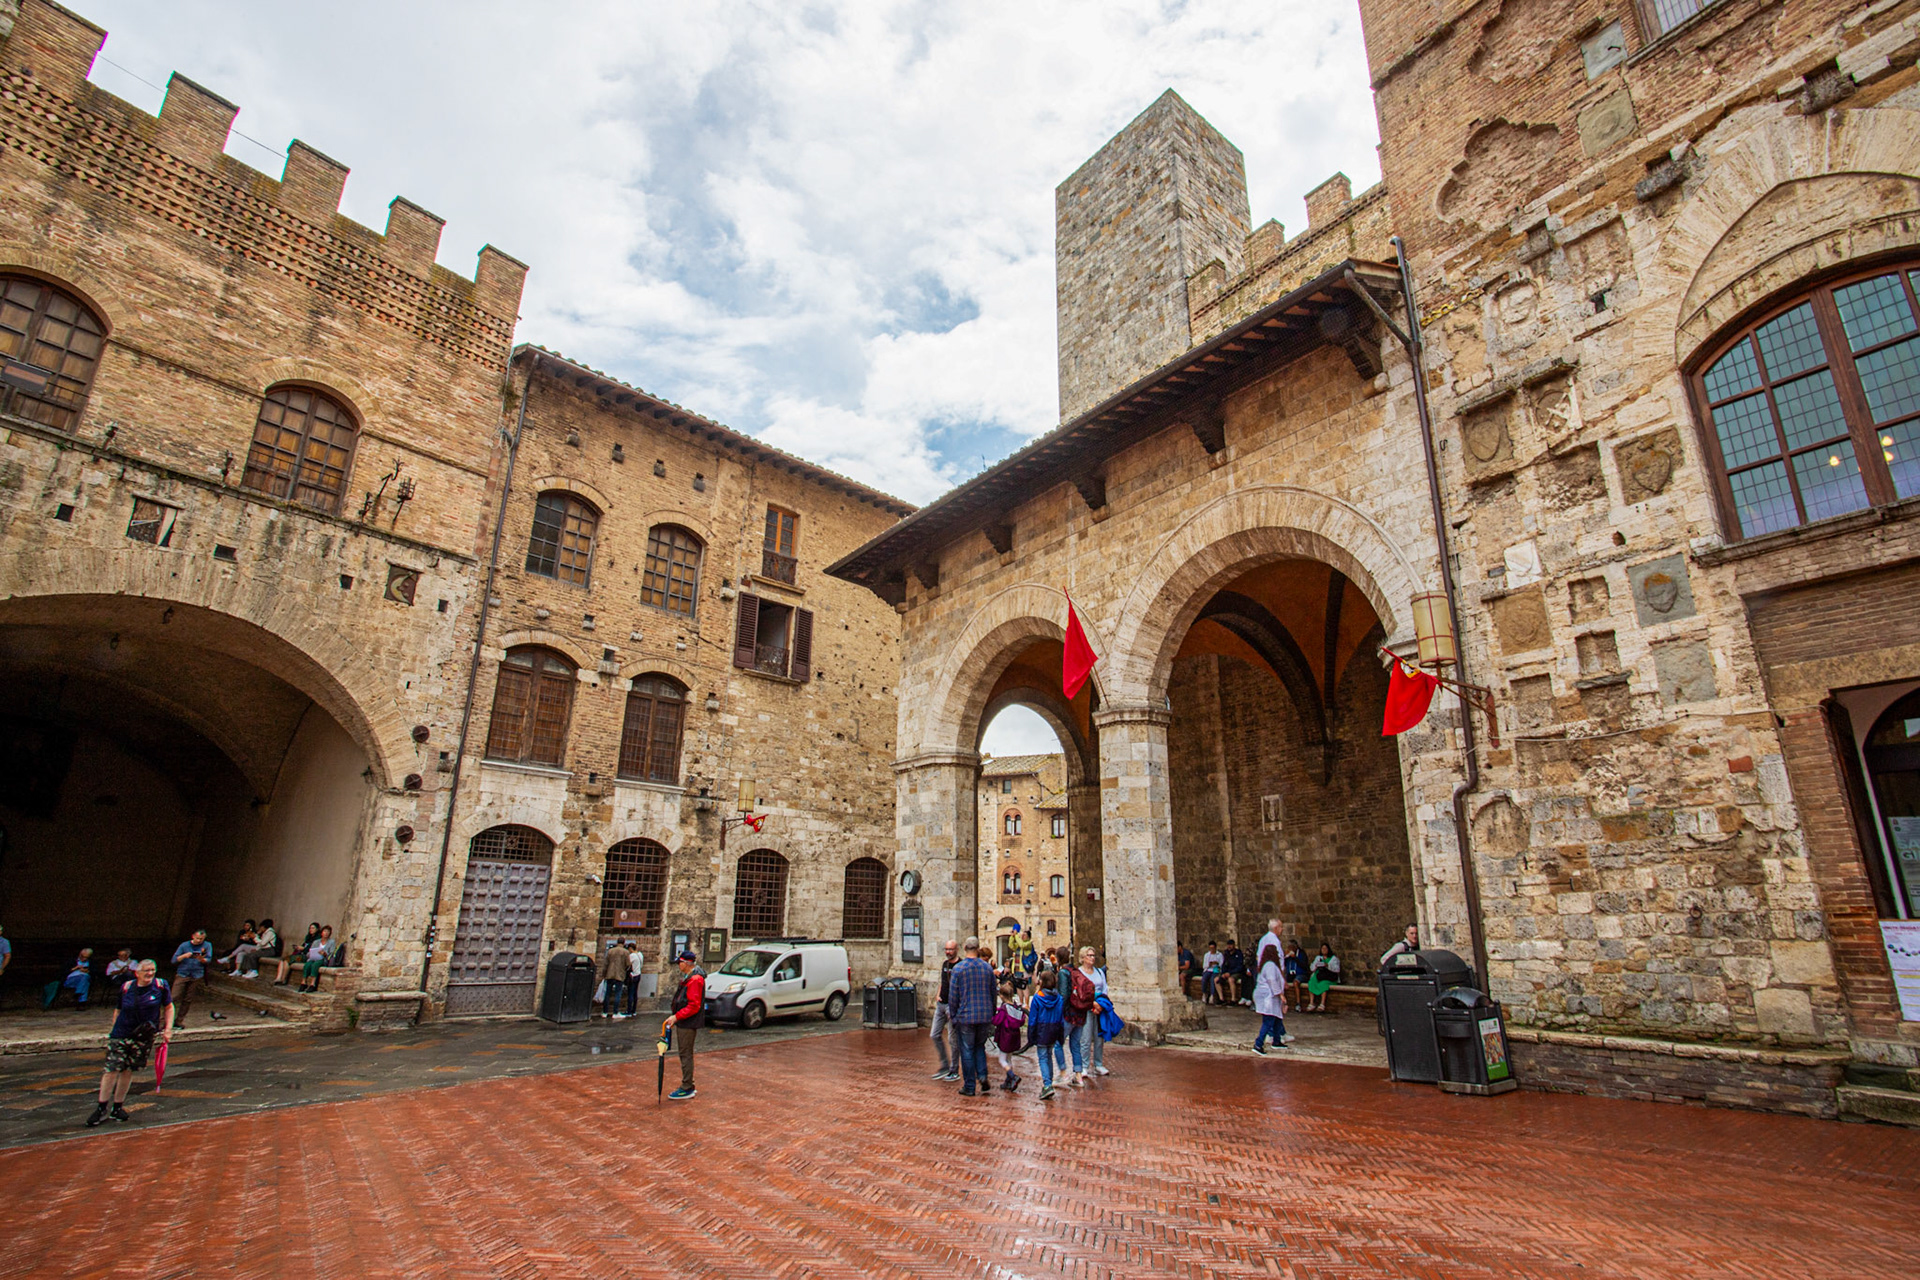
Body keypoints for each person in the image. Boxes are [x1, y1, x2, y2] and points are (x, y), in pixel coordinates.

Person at [88, 959, 173, 1127]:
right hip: (122, 1033)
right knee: (112, 1069)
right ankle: (101, 1106)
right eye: (146, 970)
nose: (149, 973)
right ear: (137, 972)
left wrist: (168, 1028)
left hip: (143, 1036)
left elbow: (169, 1006)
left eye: (152, 970)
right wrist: (114, 1030)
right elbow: (118, 1009)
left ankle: (118, 1106)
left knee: (128, 1070)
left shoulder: (161, 986)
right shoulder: (127, 987)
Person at [947, 937, 996, 1097]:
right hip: (984, 1014)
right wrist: (992, 1013)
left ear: (964, 948)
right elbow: (993, 993)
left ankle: (969, 1085)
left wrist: (953, 1016)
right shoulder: (987, 968)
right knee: (979, 1046)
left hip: (966, 1015)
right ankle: (982, 1075)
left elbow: (953, 996)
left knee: (967, 1050)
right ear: (977, 948)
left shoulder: (959, 969)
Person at [662, 949, 705, 1100]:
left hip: (688, 1022)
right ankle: (688, 1083)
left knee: (685, 1054)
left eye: (680, 962)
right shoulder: (689, 978)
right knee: (685, 1053)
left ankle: (687, 1086)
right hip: (684, 1020)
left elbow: (694, 1005)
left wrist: (676, 1017)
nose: (678, 965)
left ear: (686, 963)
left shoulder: (695, 980)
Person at [1027, 969, 1067, 1100]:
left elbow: (1032, 1019)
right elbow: (1061, 1018)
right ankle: (1049, 1081)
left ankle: (1047, 1084)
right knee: (1048, 1055)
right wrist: (1060, 1035)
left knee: (1043, 1058)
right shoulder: (1059, 998)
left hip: (1042, 1029)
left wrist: (1031, 1035)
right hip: (1054, 1029)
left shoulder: (1038, 998)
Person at [929, 939, 961, 1082]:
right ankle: (944, 1065)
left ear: (957, 949)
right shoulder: (945, 964)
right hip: (941, 1004)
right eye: (946, 949)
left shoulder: (961, 965)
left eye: (951, 949)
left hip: (952, 1006)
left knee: (952, 1039)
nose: (948, 952)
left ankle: (954, 1069)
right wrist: (938, 994)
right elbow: (943, 981)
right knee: (934, 1034)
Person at [1077, 947, 1112, 1078]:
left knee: (1099, 1037)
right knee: (1085, 1037)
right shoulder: (1079, 973)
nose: (1092, 958)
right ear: (1083, 958)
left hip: (1099, 1008)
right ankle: (1084, 1065)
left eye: (1093, 955)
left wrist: (1101, 1004)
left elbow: (1104, 988)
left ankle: (1098, 1064)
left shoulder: (1099, 972)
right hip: (1086, 1008)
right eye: (1089, 955)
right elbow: (1079, 991)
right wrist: (1092, 1004)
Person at [1252, 944, 1291, 1055]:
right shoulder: (1269, 965)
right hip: (1268, 997)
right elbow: (1272, 981)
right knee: (1268, 1020)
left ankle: (1276, 1041)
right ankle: (1258, 1044)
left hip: (1272, 997)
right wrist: (1281, 995)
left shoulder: (1269, 965)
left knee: (1277, 1018)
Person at [990, 981, 1026, 1093]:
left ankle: (1012, 1076)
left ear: (1001, 996)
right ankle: (1008, 1081)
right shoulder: (1015, 1007)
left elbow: (996, 1021)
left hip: (1005, 1037)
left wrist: (992, 1017)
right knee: (1009, 1059)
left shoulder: (1004, 1009)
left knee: (1002, 1060)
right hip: (1014, 1037)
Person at [170, 931, 211, 1025]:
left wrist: (202, 959)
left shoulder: (207, 945)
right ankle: (164, 1020)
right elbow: (174, 960)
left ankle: (179, 1020)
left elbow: (208, 959)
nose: (199, 941)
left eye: (201, 939)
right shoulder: (184, 945)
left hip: (197, 974)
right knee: (173, 997)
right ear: (193, 936)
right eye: (197, 938)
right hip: (183, 973)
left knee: (188, 999)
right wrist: (184, 956)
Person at [297, 926, 336, 993]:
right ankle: (303, 982)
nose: (326, 933)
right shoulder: (316, 942)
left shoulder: (331, 942)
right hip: (314, 957)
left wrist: (324, 953)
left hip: (323, 959)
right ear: (321, 933)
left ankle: (313, 983)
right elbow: (310, 951)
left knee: (315, 965)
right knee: (307, 965)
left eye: (328, 932)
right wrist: (311, 954)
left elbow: (332, 953)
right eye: (325, 931)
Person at [1307, 942, 1341, 1012]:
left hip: (1328, 977)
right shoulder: (1318, 958)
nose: (1324, 950)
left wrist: (1327, 965)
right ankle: (1311, 1002)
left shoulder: (1333, 958)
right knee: (1312, 982)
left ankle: (1322, 1003)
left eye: (1325, 948)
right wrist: (1316, 965)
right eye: (1322, 948)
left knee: (1324, 984)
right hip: (1319, 975)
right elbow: (1312, 968)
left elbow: (1337, 969)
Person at [602, 939, 632, 1018]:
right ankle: (615, 1012)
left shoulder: (610, 951)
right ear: (624, 943)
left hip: (610, 974)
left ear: (617, 942)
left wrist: (604, 974)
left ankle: (605, 1012)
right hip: (620, 975)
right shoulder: (625, 952)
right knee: (617, 994)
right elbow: (628, 964)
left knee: (607, 994)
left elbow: (605, 963)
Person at [1283, 940, 1308, 1010]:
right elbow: (1283, 964)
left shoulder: (1302, 954)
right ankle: (1284, 1002)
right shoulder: (1288, 955)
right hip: (1290, 974)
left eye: (1291, 947)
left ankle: (1298, 1003)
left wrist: (1295, 958)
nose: (1290, 949)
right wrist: (1285, 957)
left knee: (1296, 983)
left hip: (1300, 974)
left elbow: (1304, 965)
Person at [1221, 940, 1247, 1006]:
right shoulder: (1226, 954)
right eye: (1228, 945)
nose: (1229, 946)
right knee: (1216, 980)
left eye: (1231, 945)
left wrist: (1230, 973)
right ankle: (1221, 999)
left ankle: (1233, 999)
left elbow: (1240, 966)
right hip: (1228, 971)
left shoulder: (1238, 953)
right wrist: (1223, 973)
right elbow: (1224, 964)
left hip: (1236, 972)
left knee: (1231, 980)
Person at [623, 940, 644, 1019]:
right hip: (638, 974)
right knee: (635, 993)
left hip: (633, 975)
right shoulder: (640, 955)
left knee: (630, 993)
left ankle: (629, 1011)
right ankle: (634, 1010)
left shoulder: (632, 956)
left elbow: (627, 964)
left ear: (631, 948)